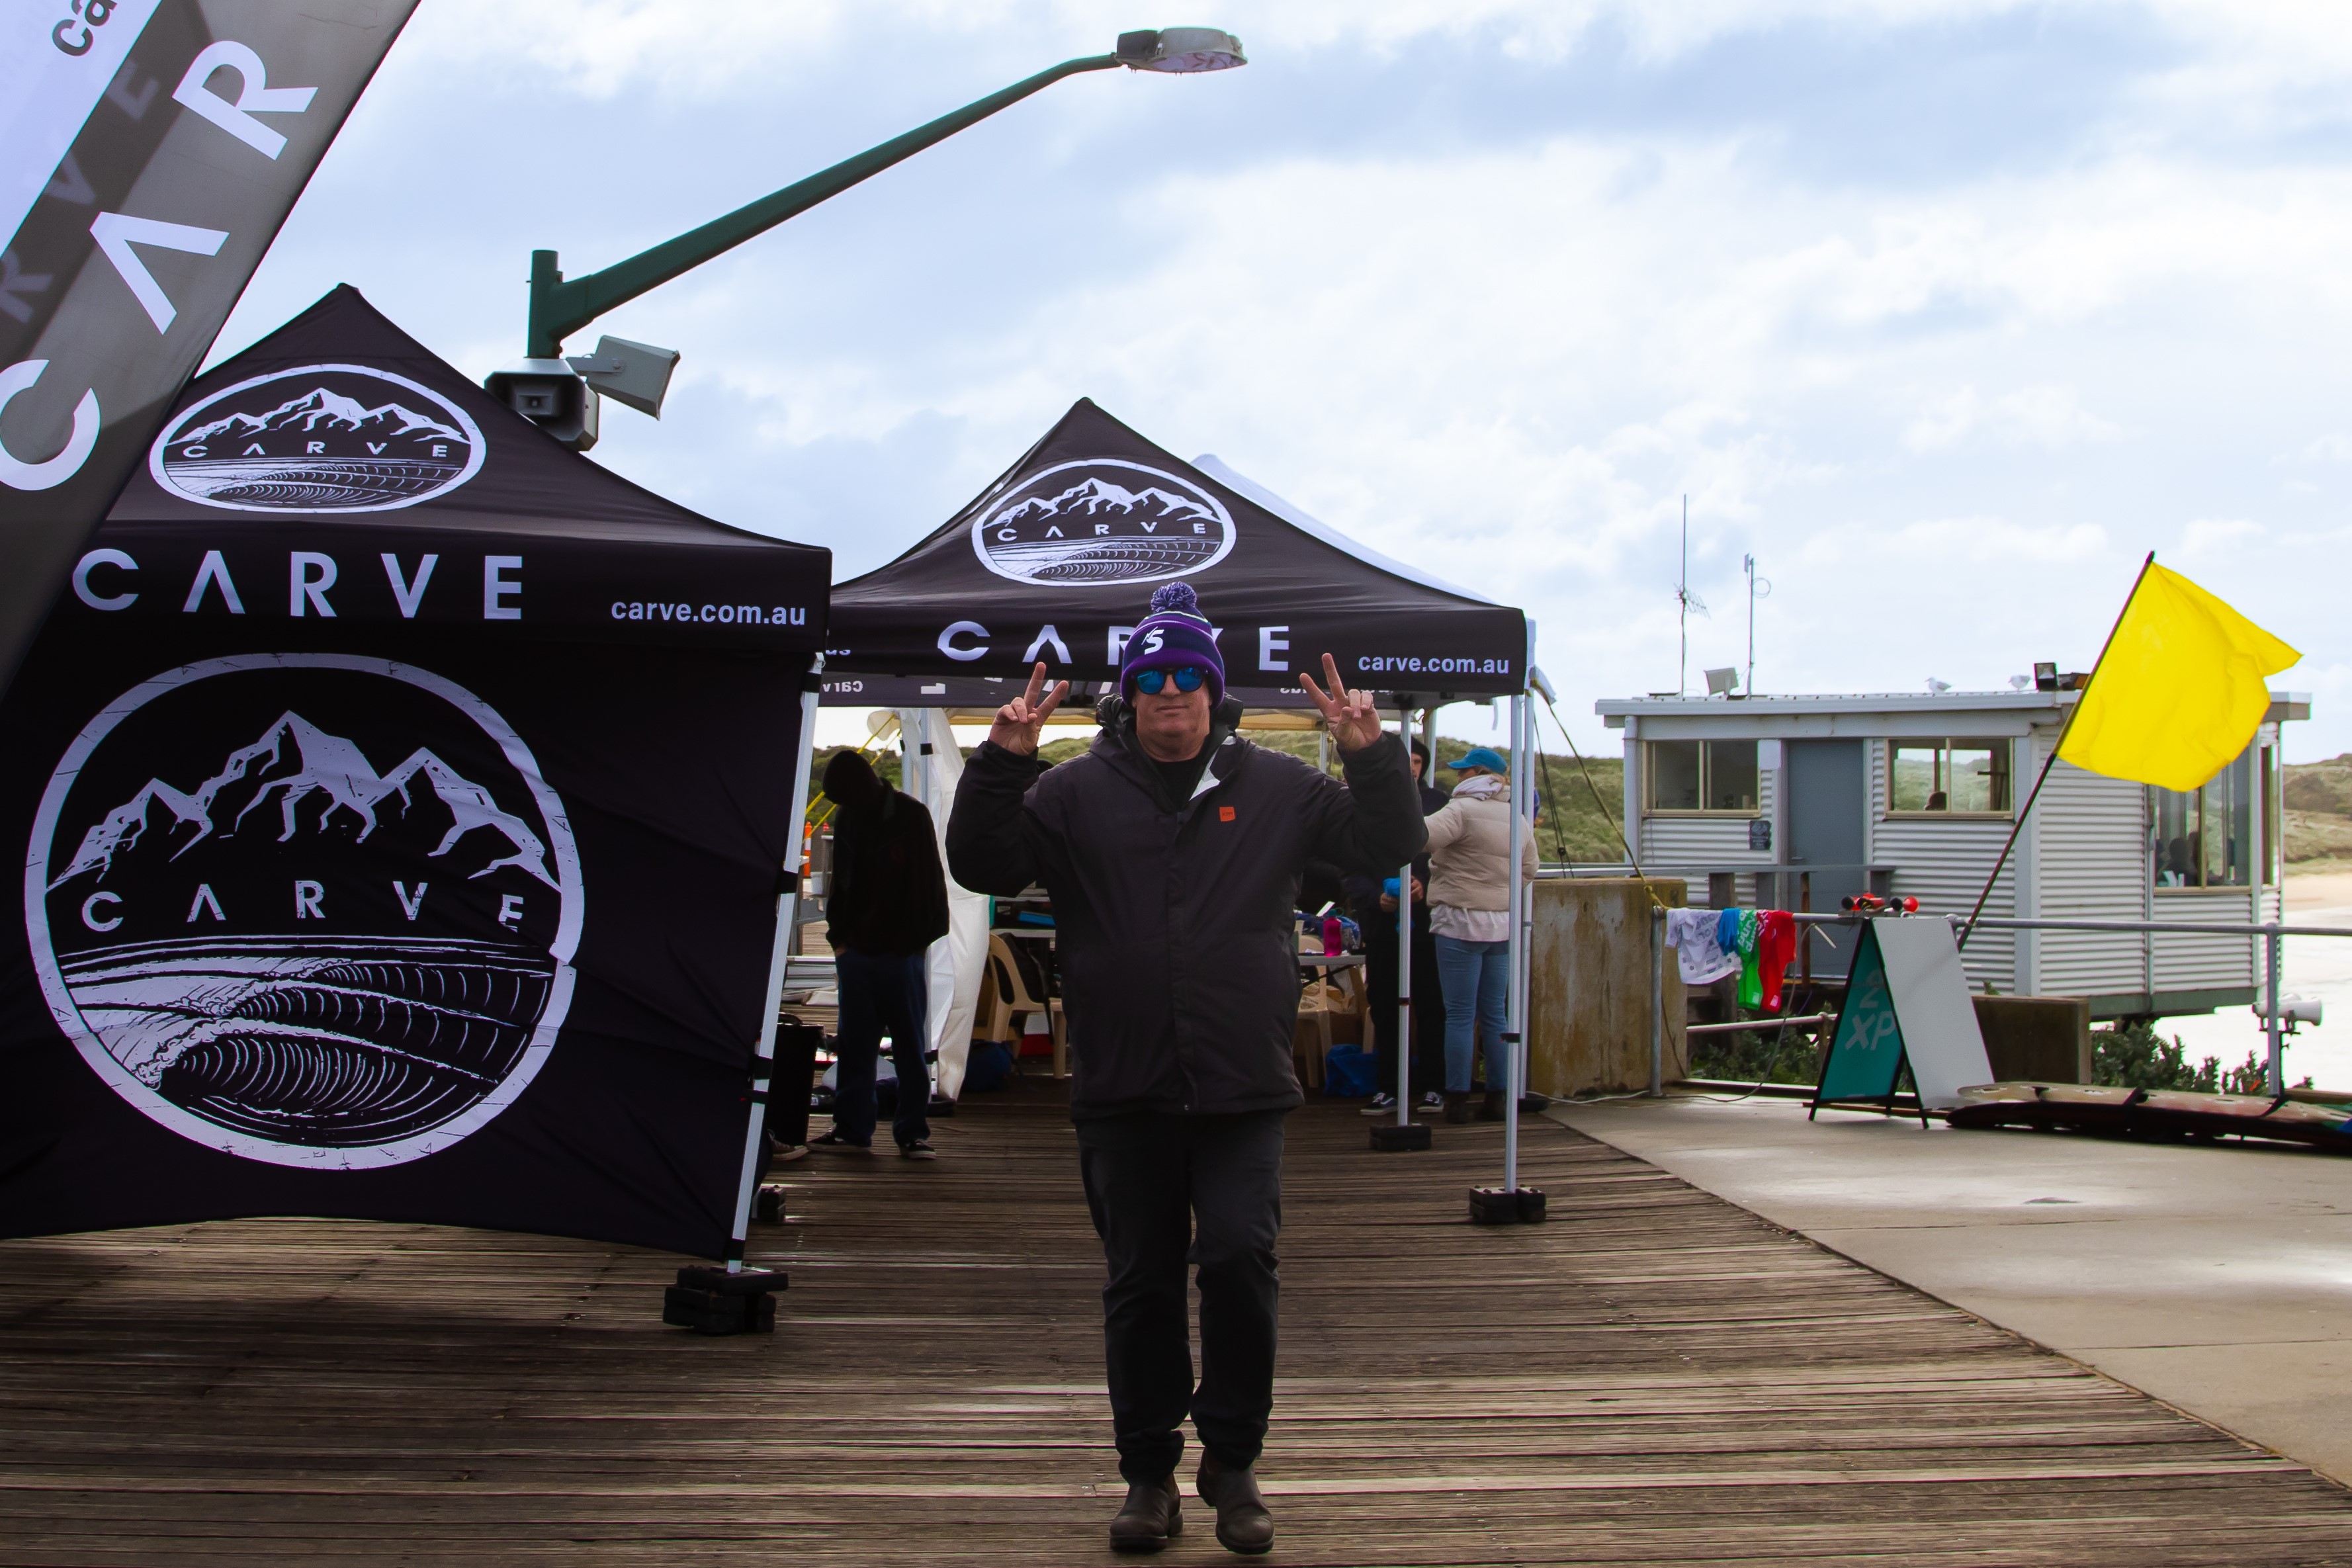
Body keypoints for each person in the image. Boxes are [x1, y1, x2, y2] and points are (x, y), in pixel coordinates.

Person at [946, 582, 1424, 1557]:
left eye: (1187, 678)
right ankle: (1147, 1473)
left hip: (1241, 1083)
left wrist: (1370, 755)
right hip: (1123, 1085)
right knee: (1142, 1281)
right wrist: (1001, 762)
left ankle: (1234, 1459)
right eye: (1152, 679)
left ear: (1212, 692)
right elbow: (982, 861)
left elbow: (1389, 844)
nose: (1170, 693)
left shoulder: (1283, 786)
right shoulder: (1073, 789)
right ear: (1129, 694)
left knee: (1241, 1258)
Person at [812, 748, 951, 1160]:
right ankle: (853, 1129)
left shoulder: (912, 816)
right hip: (857, 952)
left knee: (909, 1046)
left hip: (901, 953)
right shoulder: (850, 816)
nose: (843, 806)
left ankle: (912, 1133)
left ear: (858, 787)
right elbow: (843, 884)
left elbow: (929, 883)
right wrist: (841, 942)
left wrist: (916, 942)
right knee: (856, 1045)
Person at [1422, 747, 1538, 1124]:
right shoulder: (1517, 817)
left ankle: (1456, 1099)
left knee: (1458, 1015)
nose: (1456, 778)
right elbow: (1530, 868)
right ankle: (1497, 1097)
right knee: (1495, 1016)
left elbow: (1423, 838)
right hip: (1502, 924)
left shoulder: (1460, 810)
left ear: (1476, 773)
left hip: (1459, 920)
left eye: (1461, 771)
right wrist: (1502, 894)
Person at [1344, 738, 1446, 1117]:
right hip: (1382, 928)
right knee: (1385, 1008)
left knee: (1432, 1007)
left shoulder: (1439, 804)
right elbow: (1349, 864)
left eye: (1418, 761)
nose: (1413, 768)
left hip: (1427, 928)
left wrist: (1426, 889)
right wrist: (1375, 899)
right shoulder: (1360, 801)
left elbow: (1452, 861)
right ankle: (1389, 1087)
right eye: (1408, 761)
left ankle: (1435, 1086)